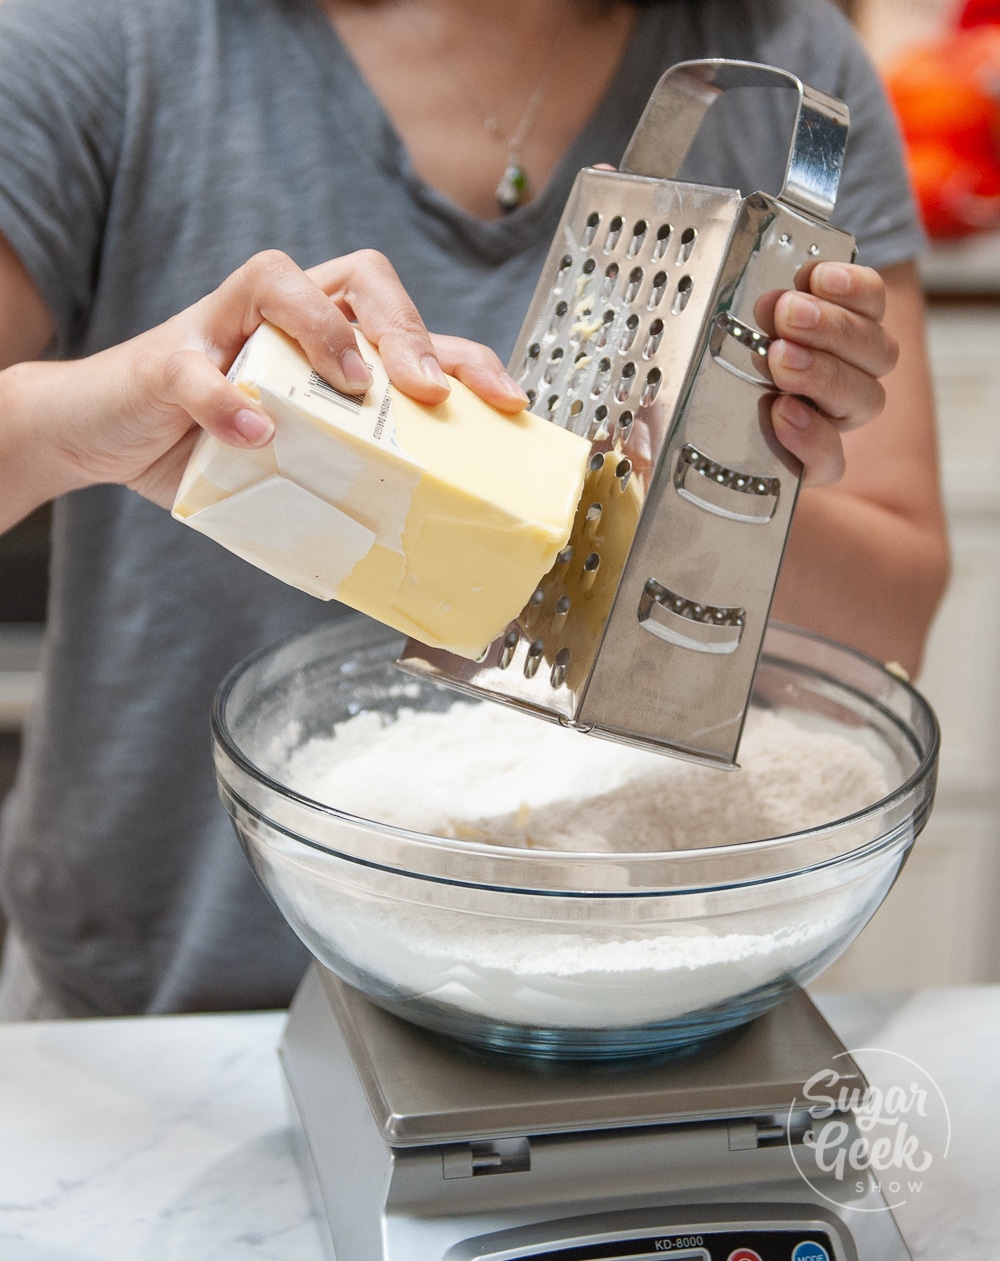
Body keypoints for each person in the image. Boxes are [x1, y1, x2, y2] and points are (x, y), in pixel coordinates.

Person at [0, 0, 948, 1018]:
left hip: (632, 996)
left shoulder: (784, 56)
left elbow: (887, 636)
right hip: (157, 1024)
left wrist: (725, 456)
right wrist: (78, 416)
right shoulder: (110, 35)